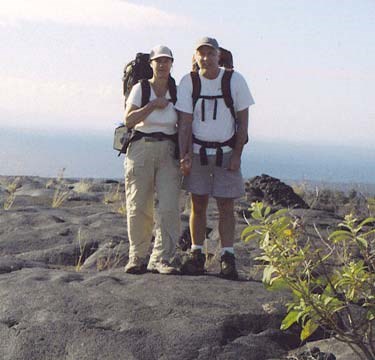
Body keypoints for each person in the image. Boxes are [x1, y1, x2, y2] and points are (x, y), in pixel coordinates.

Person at [176, 37, 254, 280]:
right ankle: (197, 254)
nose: (206, 58)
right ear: (196, 56)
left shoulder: (234, 80)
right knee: (197, 204)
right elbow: (185, 123)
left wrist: (237, 156)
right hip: (198, 153)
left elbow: (243, 122)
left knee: (226, 205)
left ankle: (227, 257)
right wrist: (185, 155)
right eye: (201, 53)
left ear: (219, 55)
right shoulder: (188, 82)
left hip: (226, 153)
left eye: (210, 53)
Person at [124, 45, 180, 275]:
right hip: (141, 148)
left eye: (167, 61)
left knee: (168, 208)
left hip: (169, 151)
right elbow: (129, 120)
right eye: (159, 61)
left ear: (171, 64)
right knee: (138, 206)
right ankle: (137, 257)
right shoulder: (141, 88)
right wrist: (152, 105)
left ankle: (161, 258)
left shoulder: (176, 90)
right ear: (151, 64)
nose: (163, 65)